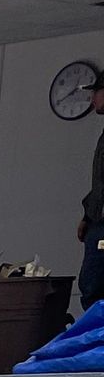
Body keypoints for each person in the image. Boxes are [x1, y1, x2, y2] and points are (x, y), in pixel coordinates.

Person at [79, 82, 104, 308]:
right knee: (92, 286)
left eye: (95, 93)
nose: (92, 99)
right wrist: (87, 216)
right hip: (97, 221)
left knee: (94, 286)